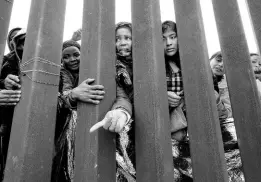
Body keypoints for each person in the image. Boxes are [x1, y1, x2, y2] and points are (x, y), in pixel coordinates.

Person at [51, 40, 105, 182]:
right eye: (66, 57)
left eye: (76, 54)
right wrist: (73, 94)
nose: (72, 59)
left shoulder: (93, 68)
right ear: (61, 60)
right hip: (67, 126)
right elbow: (62, 96)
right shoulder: (61, 74)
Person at [0, 29, 25, 180]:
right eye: (19, 41)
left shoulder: (36, 59)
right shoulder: (4, 61)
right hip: (6, 118)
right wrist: (4, 83)